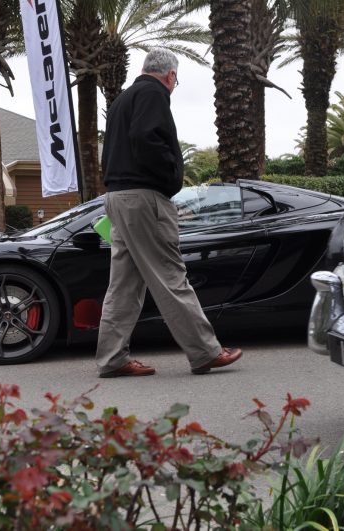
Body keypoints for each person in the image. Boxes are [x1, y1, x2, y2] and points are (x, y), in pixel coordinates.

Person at [95, 48, 242, 378]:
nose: (174, 86)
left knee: (123, 285)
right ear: (170, 75)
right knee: (170, 275)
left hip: (117, 197)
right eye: (176, 80)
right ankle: (205, 351)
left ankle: (112, 359)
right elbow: (146, 138)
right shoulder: (153, 93)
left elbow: (122, 145)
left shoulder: (121, 100)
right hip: (145, 198)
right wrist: (171, 175)